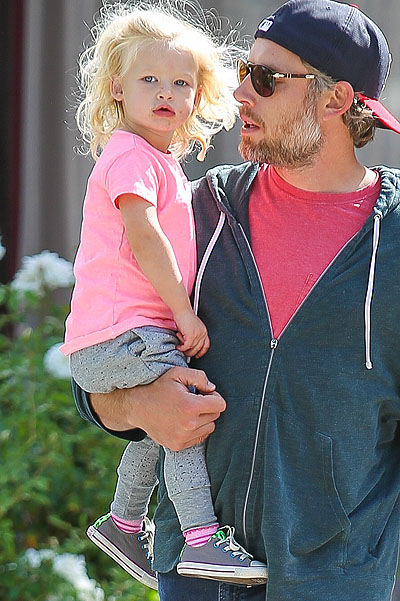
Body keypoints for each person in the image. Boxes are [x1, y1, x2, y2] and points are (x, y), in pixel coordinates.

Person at [72, 1, 400, 600]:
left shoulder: (396, 238)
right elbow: (98, 371)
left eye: (266, 79)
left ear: (335, 99)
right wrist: (142, 403)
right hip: (197, 577)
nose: (239, 93)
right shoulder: (195, 210)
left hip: (339, 581)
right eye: (244, 72)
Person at [61, 0, 268, 592]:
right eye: (149, 78)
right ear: (116, 88)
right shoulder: (129, 155)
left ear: (197, 96)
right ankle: (201, 540)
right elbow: (144, 236)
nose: (165, 93)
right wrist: (183, 311)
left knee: (161, 423)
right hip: (125, 332)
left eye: (181, 83)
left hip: (116, 337)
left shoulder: (157, 160)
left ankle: (125, 521)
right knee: (183, 417)